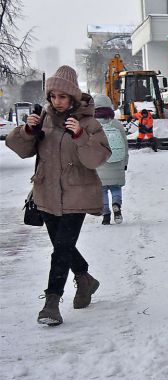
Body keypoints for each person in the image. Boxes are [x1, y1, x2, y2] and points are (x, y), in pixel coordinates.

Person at [5, 65, 111, 326]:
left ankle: (51, 302)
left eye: (62, 97)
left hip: (78, 195)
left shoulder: (89, 122)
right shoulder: (43, 119)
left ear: (73, 97)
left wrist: (80, 135)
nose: (57, 101)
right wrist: (27, 132)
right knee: (62, 246)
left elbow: (98, 157)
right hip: (47, 193)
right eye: (52, 96)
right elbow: (21, 149)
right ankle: (85, 278)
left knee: (61, 249)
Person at [93, 94, 129, 225]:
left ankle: (106, 215)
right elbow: (125, 145)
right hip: (117, 161)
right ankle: (116, 204)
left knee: (102, 190)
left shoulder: (92, 125)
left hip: (99, 163)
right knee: (115, 187)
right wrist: (125, 163)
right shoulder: (117, 124)